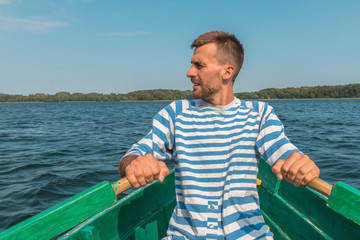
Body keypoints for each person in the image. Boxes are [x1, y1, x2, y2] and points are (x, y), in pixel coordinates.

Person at [119, 31, 320, 239]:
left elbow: (283, 151)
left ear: (227, 72)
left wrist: (299, 163)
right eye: (191, 64)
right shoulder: (176, 113)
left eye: (199, 65)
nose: (189, 72)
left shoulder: (259, 114)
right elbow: (133, 155)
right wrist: (135, 163)